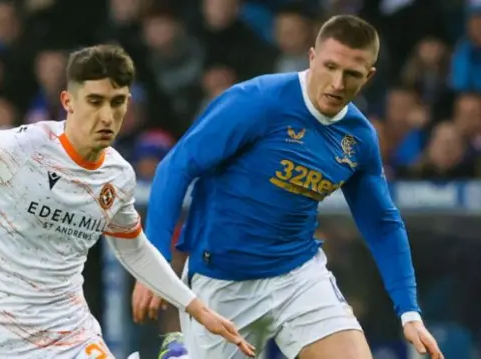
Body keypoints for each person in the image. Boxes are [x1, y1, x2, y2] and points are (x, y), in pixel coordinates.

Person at [0, 44, 255, 359]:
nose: (107, 116)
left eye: (118, 102)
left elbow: (134, 247)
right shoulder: (16, 149)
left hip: (68, 331)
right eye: (95, 101)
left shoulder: (117, 175)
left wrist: (195, 307)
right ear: (68, 101)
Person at [132, 15, 444, 359]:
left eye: (352, 74)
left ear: (368, 76)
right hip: (223, 280)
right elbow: (176, 167)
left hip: (298, 276)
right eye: (330, 66)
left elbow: (382, 223)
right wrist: (157, 263)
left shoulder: (358, 138)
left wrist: (409, 312)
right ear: (312, 57)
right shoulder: (256, 101)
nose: (337, 83)